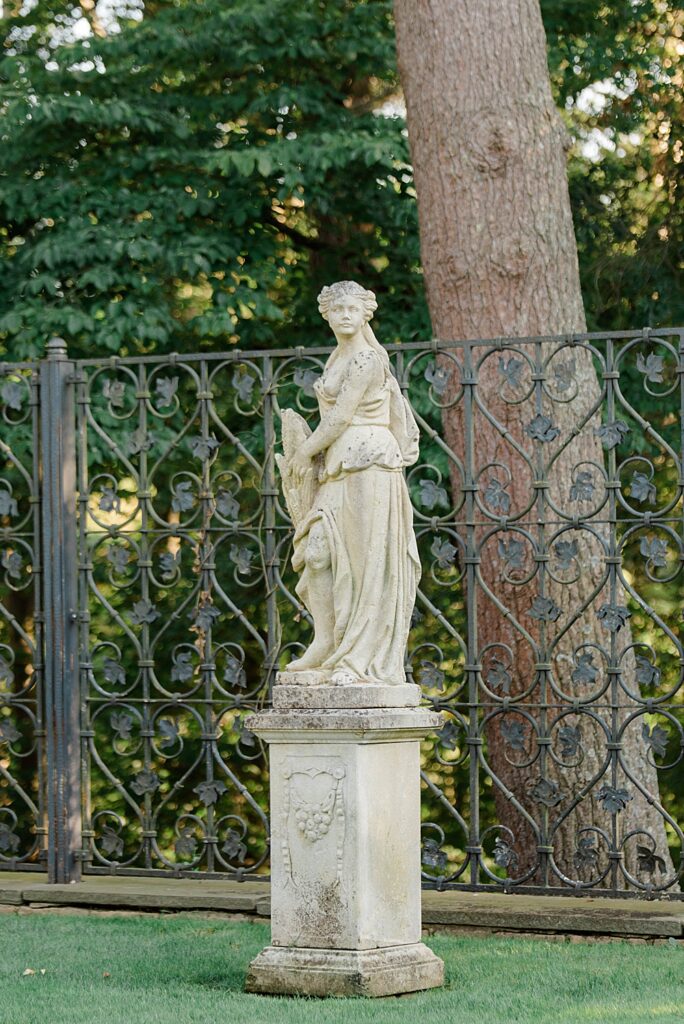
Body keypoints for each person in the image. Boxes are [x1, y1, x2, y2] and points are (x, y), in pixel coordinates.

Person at [281, 280, 421, 685]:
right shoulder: (338, 356)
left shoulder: (366, 360)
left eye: (351, 309)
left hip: (369, 463)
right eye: (337, 309)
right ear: (327, 315)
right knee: (317, 549)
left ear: (365, 315)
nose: (344, 316)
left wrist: (303, 451)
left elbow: (340, 417)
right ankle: (326, 643)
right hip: (338, 464)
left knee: (367, 562)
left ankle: (359, 660)